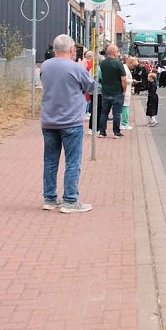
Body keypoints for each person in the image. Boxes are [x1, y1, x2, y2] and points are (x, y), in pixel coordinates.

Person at [39, 34, 95, 213]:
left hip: (49, 120)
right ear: (71, 50)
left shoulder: (45, 66)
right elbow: (91, 86)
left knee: (50, 160)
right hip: (71, 121)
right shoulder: (76, 67)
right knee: (72, 161)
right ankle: (70, 200)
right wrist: (83, 69)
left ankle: (49, 198)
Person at [97, 44, 126, 139]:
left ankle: (102, 131)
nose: (118, 53)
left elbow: (100, 77)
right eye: (117, 51)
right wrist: (124, 90)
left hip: (105, 91)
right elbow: (123, 79)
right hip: (117, 92)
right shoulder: (118, 63)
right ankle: (116, 132)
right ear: (114, 52)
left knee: (104, 112)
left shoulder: (103, 63)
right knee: (116, 113)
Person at [121, 57, 135, 130]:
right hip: (125, 90)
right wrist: (132, 81)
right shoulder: (125, 69)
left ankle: (123, 123)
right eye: (134, 65)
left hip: (126, 89)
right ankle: (124, 123)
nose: (133, 67)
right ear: (130, 63)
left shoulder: (125, 68)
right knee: (125, 107)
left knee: (124, 107)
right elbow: (125, 80)